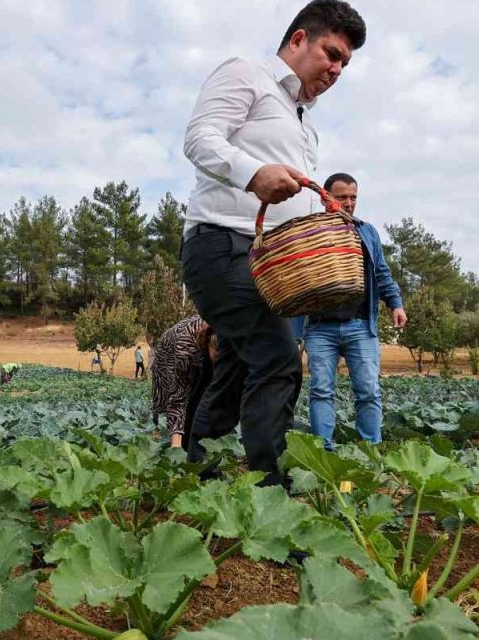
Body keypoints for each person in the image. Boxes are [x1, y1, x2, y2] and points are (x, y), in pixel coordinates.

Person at [180, 0, 367, 485]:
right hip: (223, 245)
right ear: (299, 39)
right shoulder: (247, 73)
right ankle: (270, 489)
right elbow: (199, 138)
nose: (337, 69)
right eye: (332, 54)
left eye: (345, 64)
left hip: (272, 265)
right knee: (280, 359)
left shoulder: (304, 124)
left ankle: (199, 477)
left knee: (236, 368)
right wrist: (253, 172)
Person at [303, 173, 407, 449]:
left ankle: (370, 452)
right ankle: (323, 452)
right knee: (321, 391)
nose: (348, 203)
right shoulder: (310, 233)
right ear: (325, 198)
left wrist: (395, 303)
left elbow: (382, 272)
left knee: (368, 392)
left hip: (360, 326)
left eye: (353, 197)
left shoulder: (367, 232)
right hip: (320, 328)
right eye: (342, 197)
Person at [151, 316, 217, 448]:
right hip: (170, 352)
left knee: (209, 394)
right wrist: (176, 448)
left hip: (203, 349)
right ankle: (184, 442)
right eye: (219, 353)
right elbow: (178, 399)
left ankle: (204, 440)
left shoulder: (233, 334)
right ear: (209, 341)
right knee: (189, 396)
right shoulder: (185, 349)